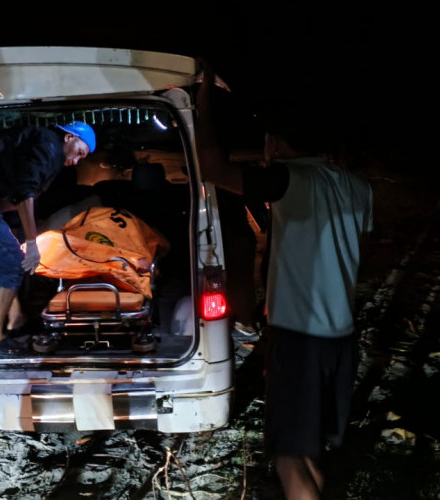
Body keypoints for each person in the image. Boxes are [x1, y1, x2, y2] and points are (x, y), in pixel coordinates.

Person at [195, 64, 374, 499]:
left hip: (299, 340)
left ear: (274, 143)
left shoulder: (289, 179)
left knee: (290, 455)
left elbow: (210, 166)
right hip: (340, 340)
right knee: (309, 450)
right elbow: (359, 255)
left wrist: (200, 96)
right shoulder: (359, 188)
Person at [0, 121, 96, 351]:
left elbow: (12, 194)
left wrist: (21, 230)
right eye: (80, 153)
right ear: (69, 138)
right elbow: (24, 192)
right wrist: (32, 241)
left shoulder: (40, 140)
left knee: (11, 255)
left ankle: (17, 321)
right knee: (13, 261)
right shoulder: (49, 147)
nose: (75, 161)